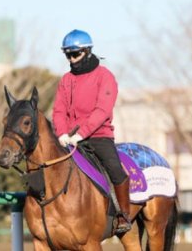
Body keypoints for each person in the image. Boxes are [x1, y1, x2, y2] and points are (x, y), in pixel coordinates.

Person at [52, 29, 131, 234]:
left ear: (87, 51)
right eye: (67, 55)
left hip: (98, 136)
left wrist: (82, 133)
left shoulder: (105, 76)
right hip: (69, 140)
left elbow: (102, 110)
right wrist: (61, 133)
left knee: (115, 169)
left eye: (75, 54)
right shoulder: (65, 80)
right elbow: (59, 109)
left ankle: (123, 214)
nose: (71, 59)